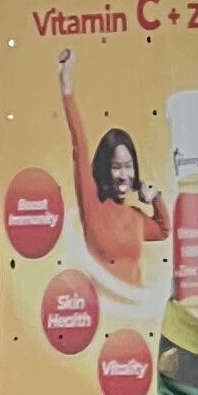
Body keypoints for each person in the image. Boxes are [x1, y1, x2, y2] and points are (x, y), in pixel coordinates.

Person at [61, 48, 166, 290]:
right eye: (116, 167)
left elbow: (163, 230)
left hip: (136, 307)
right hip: (102, 306)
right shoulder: (93, 206)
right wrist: (66, 84)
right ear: (105, 170)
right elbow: (80, 145)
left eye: (128, 167)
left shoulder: (136, 218)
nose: (123, 175)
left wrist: (156, 198)